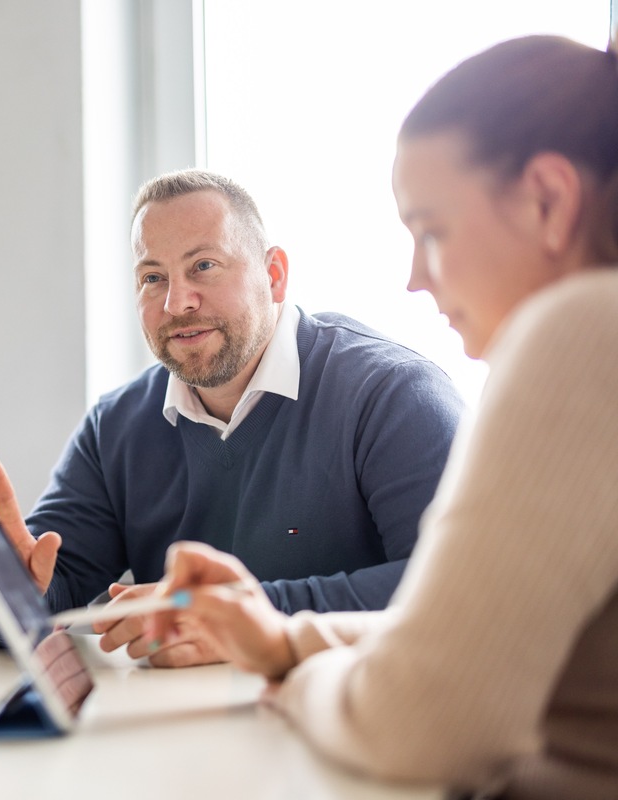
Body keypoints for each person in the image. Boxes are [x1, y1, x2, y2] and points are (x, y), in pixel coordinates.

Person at [145, 34, 618, 798]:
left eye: (431, 231)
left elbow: (425, 721)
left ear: (549, 201)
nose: (414, 278)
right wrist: (286, 639)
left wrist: (294, 685)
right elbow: (469, 644)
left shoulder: (583, 332)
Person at [0, 169, 465, 667]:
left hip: (344, 727)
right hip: (176, 732)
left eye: (203, 266)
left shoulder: (394, 394)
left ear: (274, 275)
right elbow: (53, 591)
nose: (176, 301)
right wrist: (2, 600)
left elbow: (456, 587)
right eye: (151, 277)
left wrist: (238, 618)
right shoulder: (115, 425)